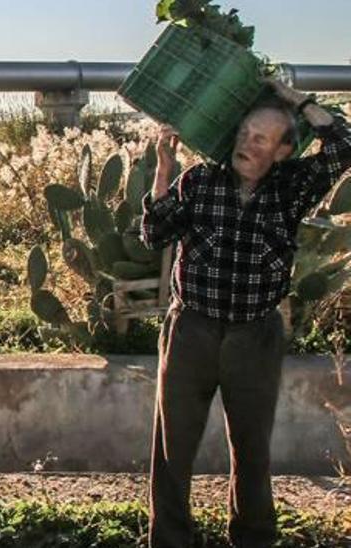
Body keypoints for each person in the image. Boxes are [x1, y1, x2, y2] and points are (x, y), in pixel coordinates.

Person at [139, 79, 351, 547]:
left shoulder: (292, 188)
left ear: (282, 151)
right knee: (172, 449)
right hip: (191, 328)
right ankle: (170, 540)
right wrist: (164, 170)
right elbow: (154, 235)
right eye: (243, 133)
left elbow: (345, 143)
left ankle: (254, 538)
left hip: (255, 334)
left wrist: (297, 100)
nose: (245, 143)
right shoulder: (200, 180)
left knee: (252, 451)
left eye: (260, 137)